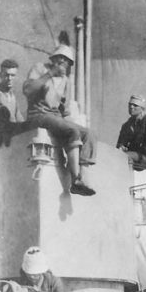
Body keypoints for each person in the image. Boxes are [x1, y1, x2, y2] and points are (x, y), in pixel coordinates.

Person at [23, 35, 96, 196]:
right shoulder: (39, 68)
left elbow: (65, 110)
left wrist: (69, 123)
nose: (65, 65)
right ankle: (75, 179)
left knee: (88, 133)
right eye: (63, 61)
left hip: (55, 117)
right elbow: (28, 91)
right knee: (73, 132)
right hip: (38, 115)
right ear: (56, 59)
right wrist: (50, 74)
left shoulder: (66, 81)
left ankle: (82, 177)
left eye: (68, 63)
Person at [0, 58, 24, 148]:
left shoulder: (13, 96)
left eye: (12, 75)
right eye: (6, 75)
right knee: (3, 111)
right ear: (0, 75)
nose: (9, 78)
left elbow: (20, 120)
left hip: (12, 131)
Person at [116, 95, 146, 171]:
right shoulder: (126, 125)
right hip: (130, 156)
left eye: (135, 105)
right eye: (130, 105)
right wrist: (121, 147)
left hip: (143, 159)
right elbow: (120, 144)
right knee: (116, 155)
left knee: (124, 156)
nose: (131, 107)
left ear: (142, 108)